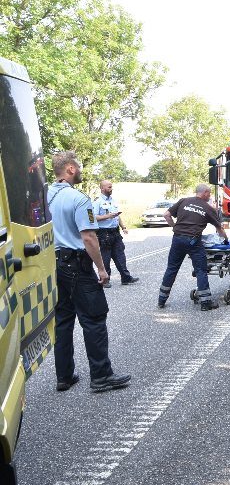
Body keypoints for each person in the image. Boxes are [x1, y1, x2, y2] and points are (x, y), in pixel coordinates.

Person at [47, 151, 131, 392]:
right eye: (79, 167)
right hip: (77, 266)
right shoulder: (79, 199)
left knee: (63, 320)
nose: (81, 170)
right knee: (94, 318)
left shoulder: (43, 195)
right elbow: (89, 236)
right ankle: (101, 376)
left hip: (52, 265)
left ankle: (64, 376)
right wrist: (102, 269)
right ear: (70, 169)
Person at [158, 184, 228, 311]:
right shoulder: (208, 208)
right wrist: (226, 239)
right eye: (209, 193)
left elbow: (166, 215)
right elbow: (219, 228)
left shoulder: (183, 201)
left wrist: (174, 227)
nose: (210, 195)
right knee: (201, 270)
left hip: (177, 239)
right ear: (205, 192)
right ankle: (206, 303)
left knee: (172, 269)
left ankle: (161, 300)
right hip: (193, 241)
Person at [93, 180, 139, 288]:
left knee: (120, 255)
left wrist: (123, 227)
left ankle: (126, 278)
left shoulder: (113, 201)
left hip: (115, 232)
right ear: (102, 188)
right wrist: (108, 216)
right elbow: (93, 218)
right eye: (109, 187)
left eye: (111, 187)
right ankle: (105, 280)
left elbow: (117, 216)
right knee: (106, 258)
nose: (111, 189)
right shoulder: (97, 202)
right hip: (104, 233)